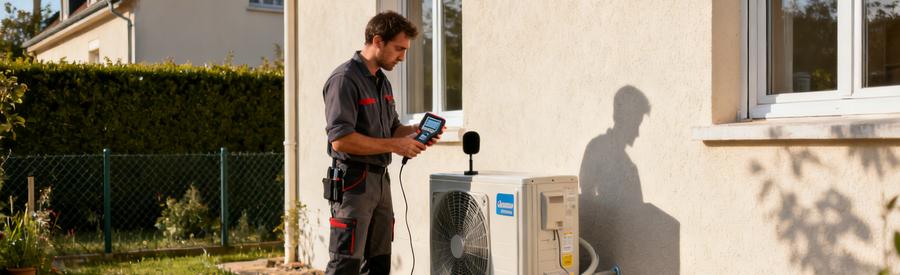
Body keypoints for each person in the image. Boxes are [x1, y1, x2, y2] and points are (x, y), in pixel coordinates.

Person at [322, 11, 440, 275]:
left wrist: (415, 132)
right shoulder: (344, 80)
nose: (402, 57)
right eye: (399, 48)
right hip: (353, 182)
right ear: (377, 40)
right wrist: (395, 146)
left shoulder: (382, 82)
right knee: (345, 264)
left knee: (378, 263)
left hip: (380, 182)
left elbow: (393, 129)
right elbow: (341, 140)